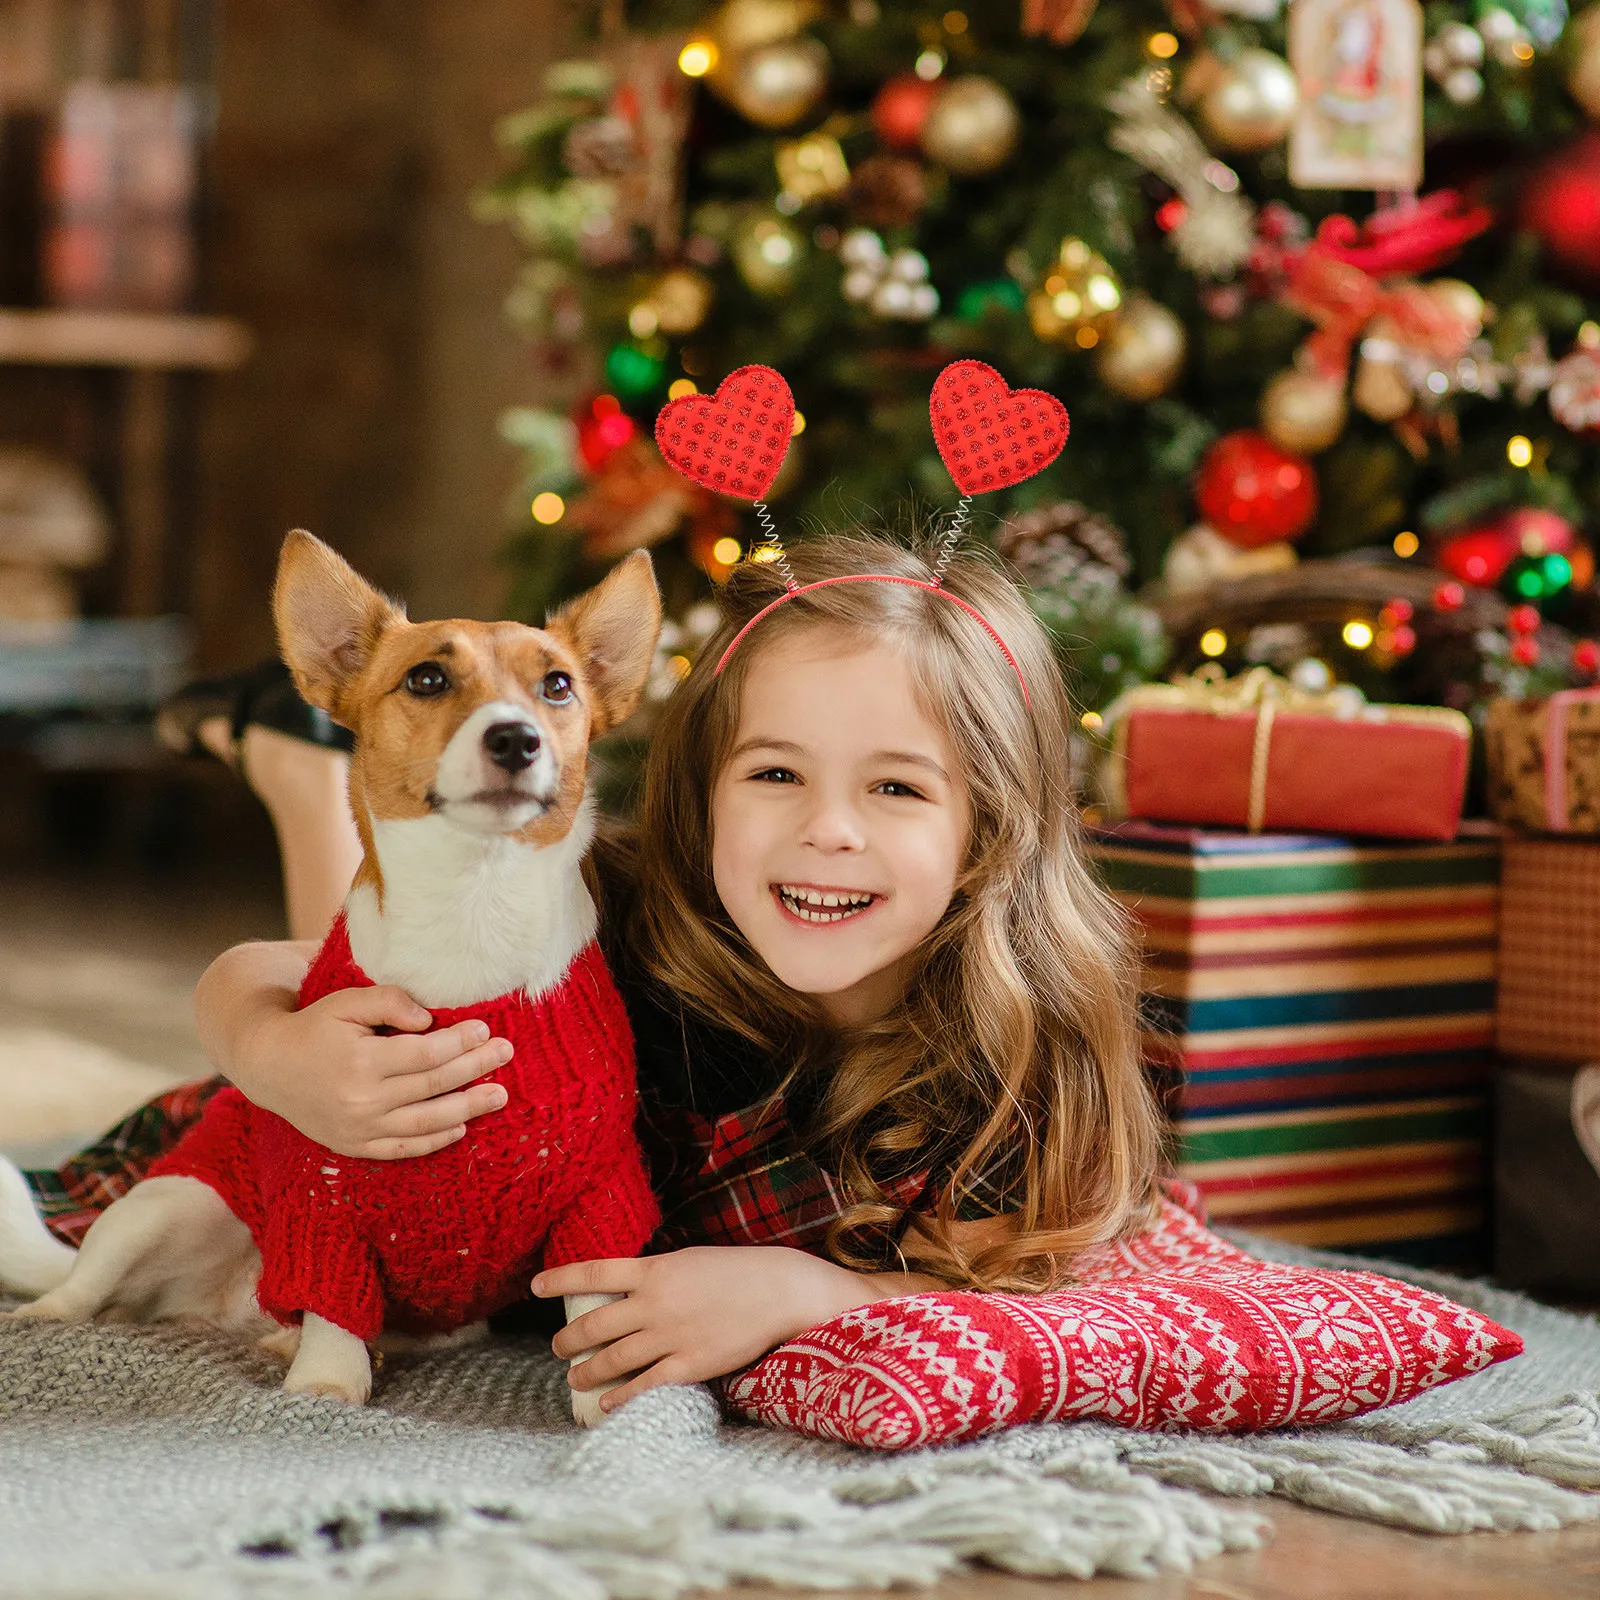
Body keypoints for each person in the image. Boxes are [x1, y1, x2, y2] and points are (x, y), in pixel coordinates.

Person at [21, 530, 1163, 1416]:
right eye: (773, 773)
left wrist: (822, 1292)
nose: (829, 830)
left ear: (995, 823)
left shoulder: (1024, 1069)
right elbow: (267, 973)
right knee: (407, 920)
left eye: (897, 788)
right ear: (700, 783)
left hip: (488, 1268)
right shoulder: (638, 905)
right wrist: (267, 1049)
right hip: (319, 1158)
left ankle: (295, 755)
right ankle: (304, 764)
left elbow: (1077, 1302)